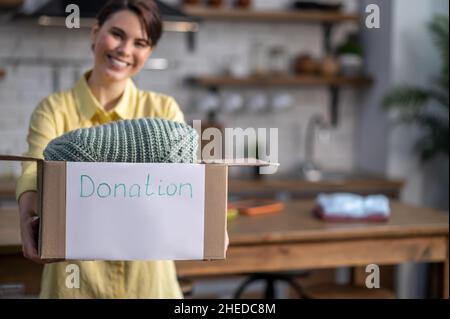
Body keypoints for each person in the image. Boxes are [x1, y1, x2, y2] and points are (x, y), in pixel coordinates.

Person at [17, 0, 186, 298]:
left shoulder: (163, 110)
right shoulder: (54, 109)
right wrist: (27, 218)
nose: (125, 50)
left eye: (140, 43)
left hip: (147, 285)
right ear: (95, 33)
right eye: (117, 34)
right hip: (75, 284)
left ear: (149, 53)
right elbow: (34, 167)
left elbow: (185, 182)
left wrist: (206, 220)